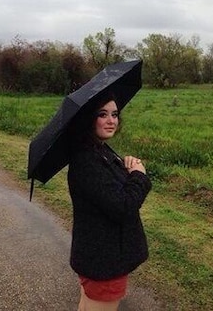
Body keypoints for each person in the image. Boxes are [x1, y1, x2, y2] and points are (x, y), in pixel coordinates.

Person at [66, 95, 150, 311]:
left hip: (97, 257)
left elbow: (109, 191)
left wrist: (127, 167)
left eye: (115, 114)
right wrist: (139, 175)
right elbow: (123, 206)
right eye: (102, 114)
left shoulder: (98, 150)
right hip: (104, 262)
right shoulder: (88, 161)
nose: (112, 120)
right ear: (88, 118)